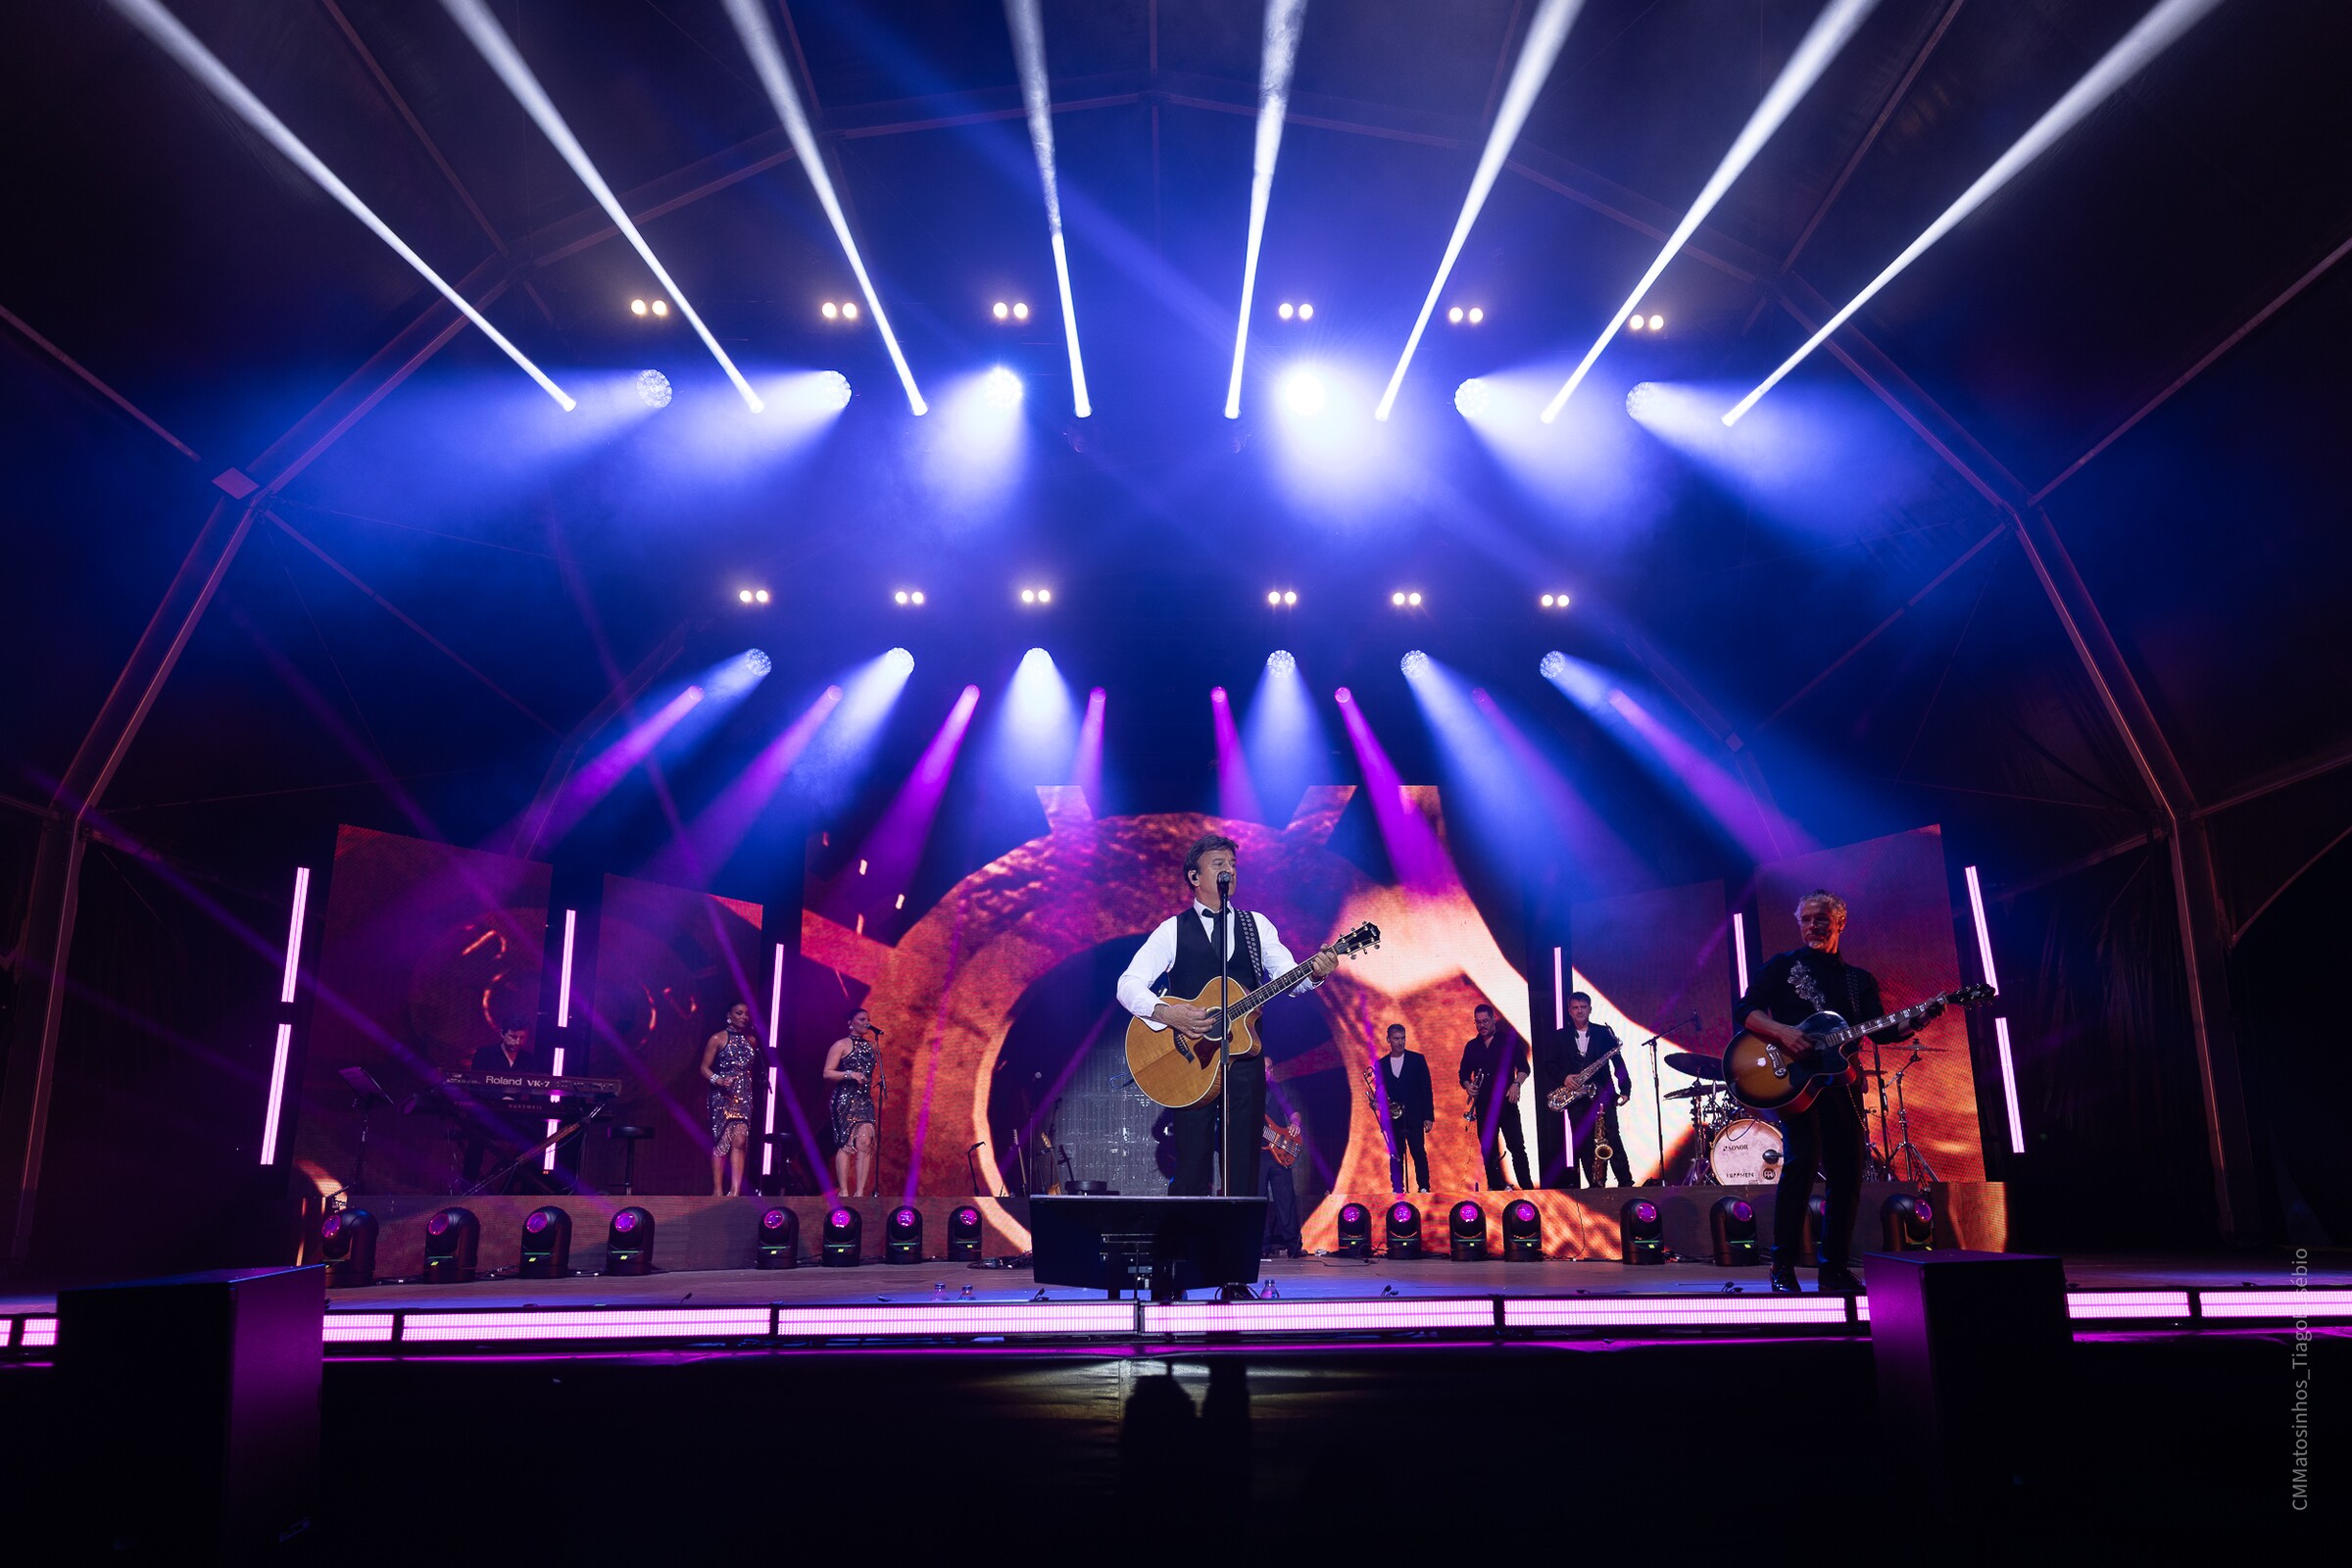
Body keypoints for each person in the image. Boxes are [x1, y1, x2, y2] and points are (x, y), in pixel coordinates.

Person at [1737, 890, 1938, 1294]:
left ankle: (1834, 1269)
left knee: (1847, 1173)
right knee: (1801, 1162)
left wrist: (1918, 1019)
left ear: (1840, 923)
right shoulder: (1781, 966)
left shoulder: (1858, 980)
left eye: (1821, 919)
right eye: (1806, 919)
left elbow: (1880, 1032)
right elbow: (1745, 1012)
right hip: (1793, 1081)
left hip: (1841, 1082)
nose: (1813, 926)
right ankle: (1782, 1266)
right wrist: (1783, 1033)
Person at [1115, 833, 1338, 1199]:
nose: (1229, 871)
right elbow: (1128, 984)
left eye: (1233, 864)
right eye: (1219, 864)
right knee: (1191, 1168)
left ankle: (1238, 1236)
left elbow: (1289, 978)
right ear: (1194, 876)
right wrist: (1168, 1013)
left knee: (1243, 1168)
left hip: (1244, 1060)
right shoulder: (1172, 930)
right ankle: (1187, 1235)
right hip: (1190, 1064)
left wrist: (1315, 973)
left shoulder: (1256, 926)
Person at [1560, 992, 1634, 1188]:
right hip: (1577, 1097)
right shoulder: (1560, 1036)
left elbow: (1618, 1062)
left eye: (1583, 1007)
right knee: (1583, 1142)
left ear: (1590, 1009)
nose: (1579, 1011)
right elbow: (1550, 1065)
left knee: (1612, 1137)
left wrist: (1625, 1088)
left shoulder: (1603, 1033)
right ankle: (1595, 1185)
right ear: (1569, 1011)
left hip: (1603, 1094)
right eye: (1575, 1007)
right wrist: (1565, 1077)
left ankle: (1625, 1183)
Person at [461, 1013, 544, 1186]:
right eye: (513, 1036)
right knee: (477, 1134)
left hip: (515, 1117)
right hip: (487, 1114)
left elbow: (537, 1092)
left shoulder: (530, 1060)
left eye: (522, 1038)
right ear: (502, 1034)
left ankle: (514, 1186)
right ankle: (467, 1186)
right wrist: (502, 1098)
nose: (518, 1042)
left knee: (536, 1137)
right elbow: (476, 1088)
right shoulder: (485, 1055)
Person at [1459, 1004, 1534, 1190]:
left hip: (1507, 1104)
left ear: (1493, 1020)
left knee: (1517, 1147)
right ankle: (1495, 1188)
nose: (1482, 1026)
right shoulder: (1472, 1046)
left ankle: (1527, 1187)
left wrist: (1516, 1084)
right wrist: (1468, 1086)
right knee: (1488, 1150)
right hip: (1484, 1106)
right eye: (1478, 1022)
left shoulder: (1508, 1041)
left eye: (1485, 1021)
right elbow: (1463, 1074)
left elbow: (1524, 1068)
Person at [699, 1002, 760, 1198]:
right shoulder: (718, 1038)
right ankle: (717, 1190)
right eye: (739, 1013)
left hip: (744, 1095)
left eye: (746, 1014)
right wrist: (718, 1080)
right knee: (721, 1141)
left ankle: (735, 1191)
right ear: (729, 1015)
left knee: (740, 1141)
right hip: (722, 1095)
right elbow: (704, 1068)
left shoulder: (752, 1040)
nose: (744, 1017)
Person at [822, 1007, 882, 1197]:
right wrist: (849, 1074)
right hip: (844, 1099)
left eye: (868, 1019)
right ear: (851, 1022)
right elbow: (827, 1073)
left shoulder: (872, 1046)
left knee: (865, 1142)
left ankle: (859, 1193)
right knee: (846, 1143)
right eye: (862, 1019)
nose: (866, 1023)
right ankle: (844, 1191)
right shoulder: (841, 1045)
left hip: (864, 1100)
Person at [1371, 1023, 1435, 1193]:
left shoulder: (1417, 1060)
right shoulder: (1381, 1064)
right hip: (1393, 1118)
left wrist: (1428, 1117)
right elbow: (1380, 1090)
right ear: (1388, 1040)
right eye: (1396, 1038)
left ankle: (1423, 1187)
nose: (1400, 1042)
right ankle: (1397, 1188)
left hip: (1414, 1115)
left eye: (1403, 1038)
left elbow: (1426, 1089)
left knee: (1418, 1152)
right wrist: (1377, 1103)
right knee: (1396, 1154)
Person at [1260, 1106, 1304, 1258]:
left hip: (1280, 1150)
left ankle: (1293, 1245)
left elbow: (1294, 1112)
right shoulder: (1246, 1094)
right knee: (1258, 1200)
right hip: (1257, 1154)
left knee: (1286, 1199)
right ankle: (1262, 1245)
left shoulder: (1277, 1092)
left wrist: (1295, 1124)